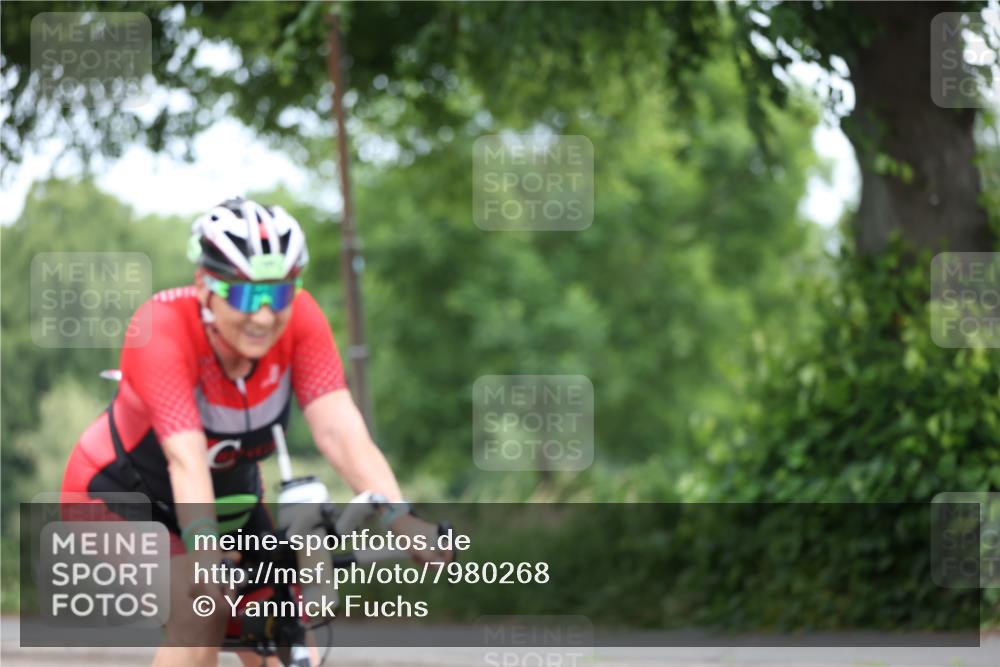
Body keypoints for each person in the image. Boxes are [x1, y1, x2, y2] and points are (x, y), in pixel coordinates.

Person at [60, 197, 448, 667]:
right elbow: (186, 458)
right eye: (245, 295)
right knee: (199, 609)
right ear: (205, 287)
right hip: (119, 495)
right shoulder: (161, 328)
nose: (264, 316)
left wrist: (400, 518)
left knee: (279, 626)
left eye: (279, 293)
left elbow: (342, 433)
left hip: (231, 500)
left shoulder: (300, 320)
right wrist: (205, 552)